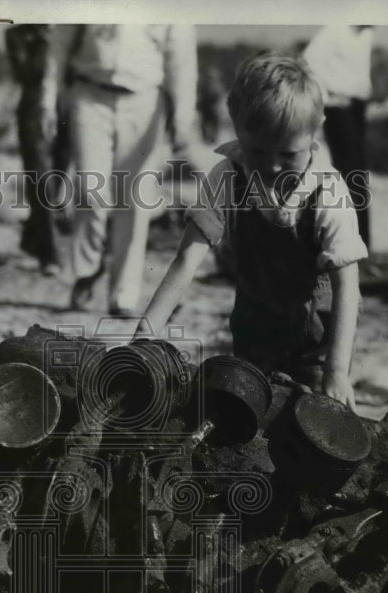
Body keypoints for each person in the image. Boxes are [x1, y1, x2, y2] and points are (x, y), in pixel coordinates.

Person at [136, 54, 367, 408]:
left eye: (288, 154)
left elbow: (347, 285)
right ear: (237, 127)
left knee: (311, 419)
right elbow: (187, 259)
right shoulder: (228, 176)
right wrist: (145, 334)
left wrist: (337, 372)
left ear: (316, 127)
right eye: (257, 151)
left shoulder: (328, 192)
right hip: (254, 331)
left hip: (316, 342)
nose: (272, 166)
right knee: (246, 413)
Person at [46, 25, 198, 315]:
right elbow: (59, 44)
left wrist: (182, 119)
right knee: (90, 191)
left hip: (145, 100)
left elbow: (181, 60)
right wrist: (48, 100)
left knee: (135, 198)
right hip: (90, 94)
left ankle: (124, 294)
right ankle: (87, 272)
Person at [6, 25, 73, 277]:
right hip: (33, 112)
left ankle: (32, 239)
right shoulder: (18, 35)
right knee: (41, 179)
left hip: (66, 108)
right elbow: (25, 73)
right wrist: (46, 45)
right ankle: (50, 254)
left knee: (56, 181)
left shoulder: (70, 31)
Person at [303, 25, 374, 247]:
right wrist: (328, 96)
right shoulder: (334, 30)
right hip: (338, 108)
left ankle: (361, 243)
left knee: (358, 176)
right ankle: (346, 243)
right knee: (349, 175)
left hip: (357, 107)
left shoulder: (366, 35)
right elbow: (309, 62)